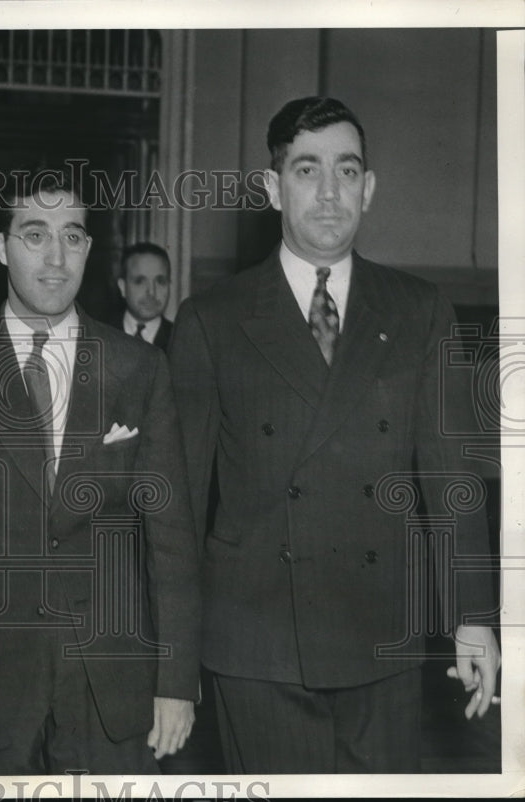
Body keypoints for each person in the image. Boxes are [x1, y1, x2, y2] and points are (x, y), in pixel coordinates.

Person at [168, 96, 500, 773]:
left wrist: (473, 615)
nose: (328, 193)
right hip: (256, 647)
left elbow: (451, 478)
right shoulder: (211, 320)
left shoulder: (419, 309)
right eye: (307, 170)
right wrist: (175, 666)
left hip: (381, 637)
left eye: (346, 173)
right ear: (272, 187)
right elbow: (176, 505)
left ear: (369, 189)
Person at [0, 170, 200, 775]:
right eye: (35, 235)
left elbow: (172, 538)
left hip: (112, 690)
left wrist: (177, 679)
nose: (57, 258)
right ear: (2, 248)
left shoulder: (140, 369)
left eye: (74, 237)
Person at [111, 242, 174, 352]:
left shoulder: (181, 339)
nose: (151, 292)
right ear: (123, 288)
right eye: (140, 281)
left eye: (160, 281)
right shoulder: (99, 334)